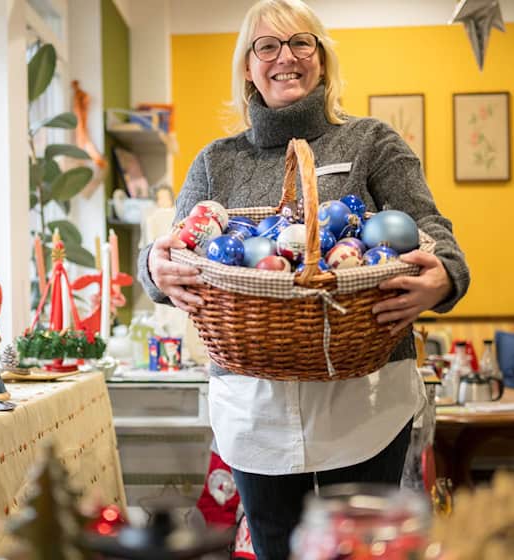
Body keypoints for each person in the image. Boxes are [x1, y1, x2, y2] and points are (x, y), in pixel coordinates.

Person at [136, 1, 470, 558]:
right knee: (274, 546)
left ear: (322, 59)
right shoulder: (216, 161)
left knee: (361, 547)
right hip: (254, 402)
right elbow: (177, 249)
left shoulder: (371, 142)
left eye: (300, 44)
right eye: (266, 46)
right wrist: (153, 264)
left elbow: (432, 231)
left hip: (365, 393)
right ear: (247, 65)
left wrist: (447, 279)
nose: (284, 58)